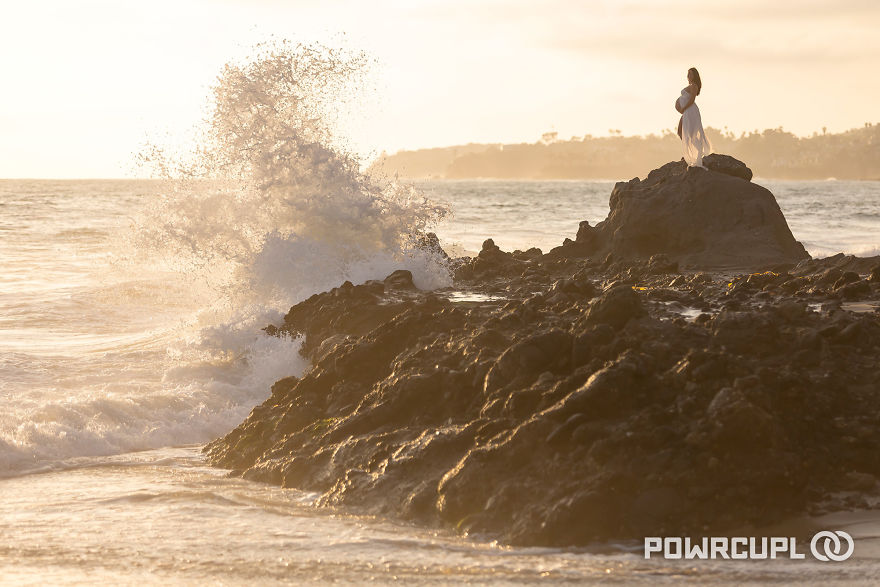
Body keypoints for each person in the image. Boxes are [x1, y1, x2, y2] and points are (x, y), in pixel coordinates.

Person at [675, 67, 712, 168]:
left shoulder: (694, 86)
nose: (688, 76)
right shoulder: (690, 85)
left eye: (690, 74)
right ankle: (691, 154)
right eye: (688, 74)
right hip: (687, 111)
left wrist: (683, 109)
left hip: (690, 111)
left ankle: (696, 154)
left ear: (694, 76)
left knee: (690, 134)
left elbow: (691, 100)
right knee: (680, 131)